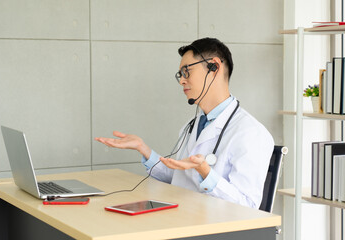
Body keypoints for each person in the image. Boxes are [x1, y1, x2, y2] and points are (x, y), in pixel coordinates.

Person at [95, 37, 274, 209]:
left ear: (214, 67)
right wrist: (144, 149)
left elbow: (248, 206)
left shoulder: (251, 133)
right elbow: (179, 178)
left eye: (187, 71)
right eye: (180, 74)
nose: (182, 80)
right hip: (184, 216)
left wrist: (205, 172)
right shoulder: (192, 125)